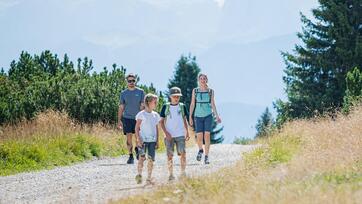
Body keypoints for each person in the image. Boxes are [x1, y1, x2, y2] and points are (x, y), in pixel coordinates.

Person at [189, 73, 221, 164]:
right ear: (198, 80)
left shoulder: (210, 91)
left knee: (207, 135)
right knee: (199, 136)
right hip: (197, 115)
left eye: (204, 79)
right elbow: (192, 104)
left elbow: (213, 104)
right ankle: (200, 150)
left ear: (206, 80)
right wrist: (190, 116)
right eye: (201, 79)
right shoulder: (195, 91)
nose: (202, 80)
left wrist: (217, 116)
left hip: (208, 115)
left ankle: (206, 156)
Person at [160, 87, 190, 181]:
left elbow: (184, 119)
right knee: (170, 155)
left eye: (178, 96)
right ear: (170, 96)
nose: (176, 98)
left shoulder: (182, 106)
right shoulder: (166, 106)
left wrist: (187, 131)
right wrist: (166, 133)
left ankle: (183, 173)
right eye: (174, 96)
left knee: (183, 153)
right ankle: (171, 174)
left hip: (180, 134)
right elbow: (161, 122)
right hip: (169, 136)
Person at [118, 73, 145, 164]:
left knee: (138, 137)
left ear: (135, 81)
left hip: (138, 119)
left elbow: (142, 105)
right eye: (129, 81)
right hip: (127, 118)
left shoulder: (141, 92)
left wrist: (143, 117)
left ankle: (137, 149)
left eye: (133, 80)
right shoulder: (123, 93)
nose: (131, 82)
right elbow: (121, 107)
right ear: (127, 82)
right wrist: (119, 120)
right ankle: (130, 156)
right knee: (129, 138)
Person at [134, 93, 161, 185]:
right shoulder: (141, 114)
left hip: (152, 141)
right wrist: (138, 139)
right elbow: (136, 128)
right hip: (142, 141)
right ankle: (139, 175)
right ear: (148, 102)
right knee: (141, 158)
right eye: (155, 102)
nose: (156, 104)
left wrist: (157, 141)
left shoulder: (156, 115)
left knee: (151, 160)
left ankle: (149, 178)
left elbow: (157, 129)